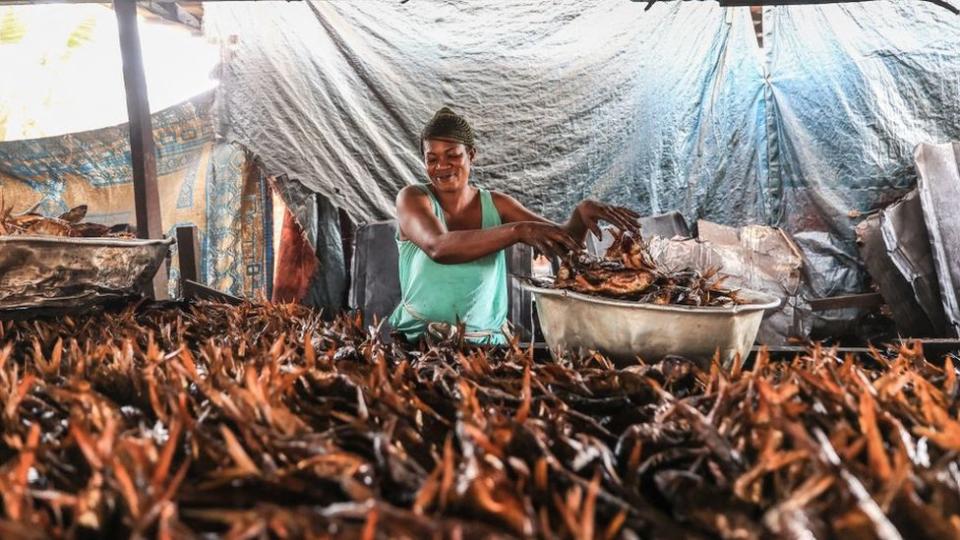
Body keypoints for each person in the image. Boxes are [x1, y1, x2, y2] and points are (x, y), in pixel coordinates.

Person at [387, 107, 640, 345]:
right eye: (432, 159)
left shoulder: (496, 205)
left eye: (452, 156)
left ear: (471, 155)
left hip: (486, 344)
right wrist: (518, 231)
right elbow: (438, 247)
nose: (441, 166)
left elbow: (564, 243)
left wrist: (580, 216)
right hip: (419, 341)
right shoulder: (412, 198)